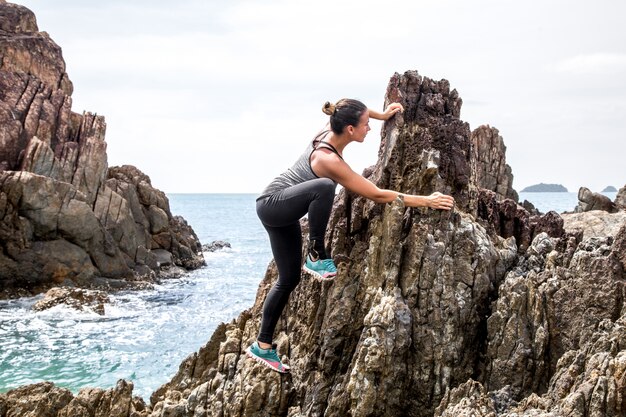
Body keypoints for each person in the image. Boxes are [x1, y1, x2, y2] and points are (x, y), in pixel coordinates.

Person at [245, 98, 455, 373]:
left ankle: (262, 345)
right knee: (323, 187)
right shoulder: (327, 159)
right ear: (350, 130)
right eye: (366, 125)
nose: (369, 128)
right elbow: (376, 194)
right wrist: (426, 200)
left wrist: (382, 114)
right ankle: (316, 255)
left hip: (280, 211)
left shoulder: (331, 128)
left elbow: (350, 107)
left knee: (288, 279)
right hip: (273, 204)